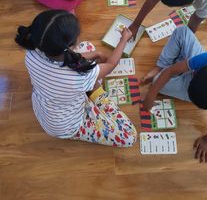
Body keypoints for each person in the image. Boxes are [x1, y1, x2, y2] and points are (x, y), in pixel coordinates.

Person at [15, 10, 137, 147]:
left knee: (88, 47)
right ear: (69, 46)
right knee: (129, 136)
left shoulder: (32, 51)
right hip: (66, 125)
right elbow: (111, 64)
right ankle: (96, 93)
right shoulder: (79, 75)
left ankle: (90, 89)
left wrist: (96, 53)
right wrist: (123, 40)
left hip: (45, 107)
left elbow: (70, 63)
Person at [141, 26, 207, 163]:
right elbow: (171, 71)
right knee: (182, 32)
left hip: (201, 82)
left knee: (158, 80)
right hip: (200, 72)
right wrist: (152, 93)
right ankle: (165, 64)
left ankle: (181, 62)